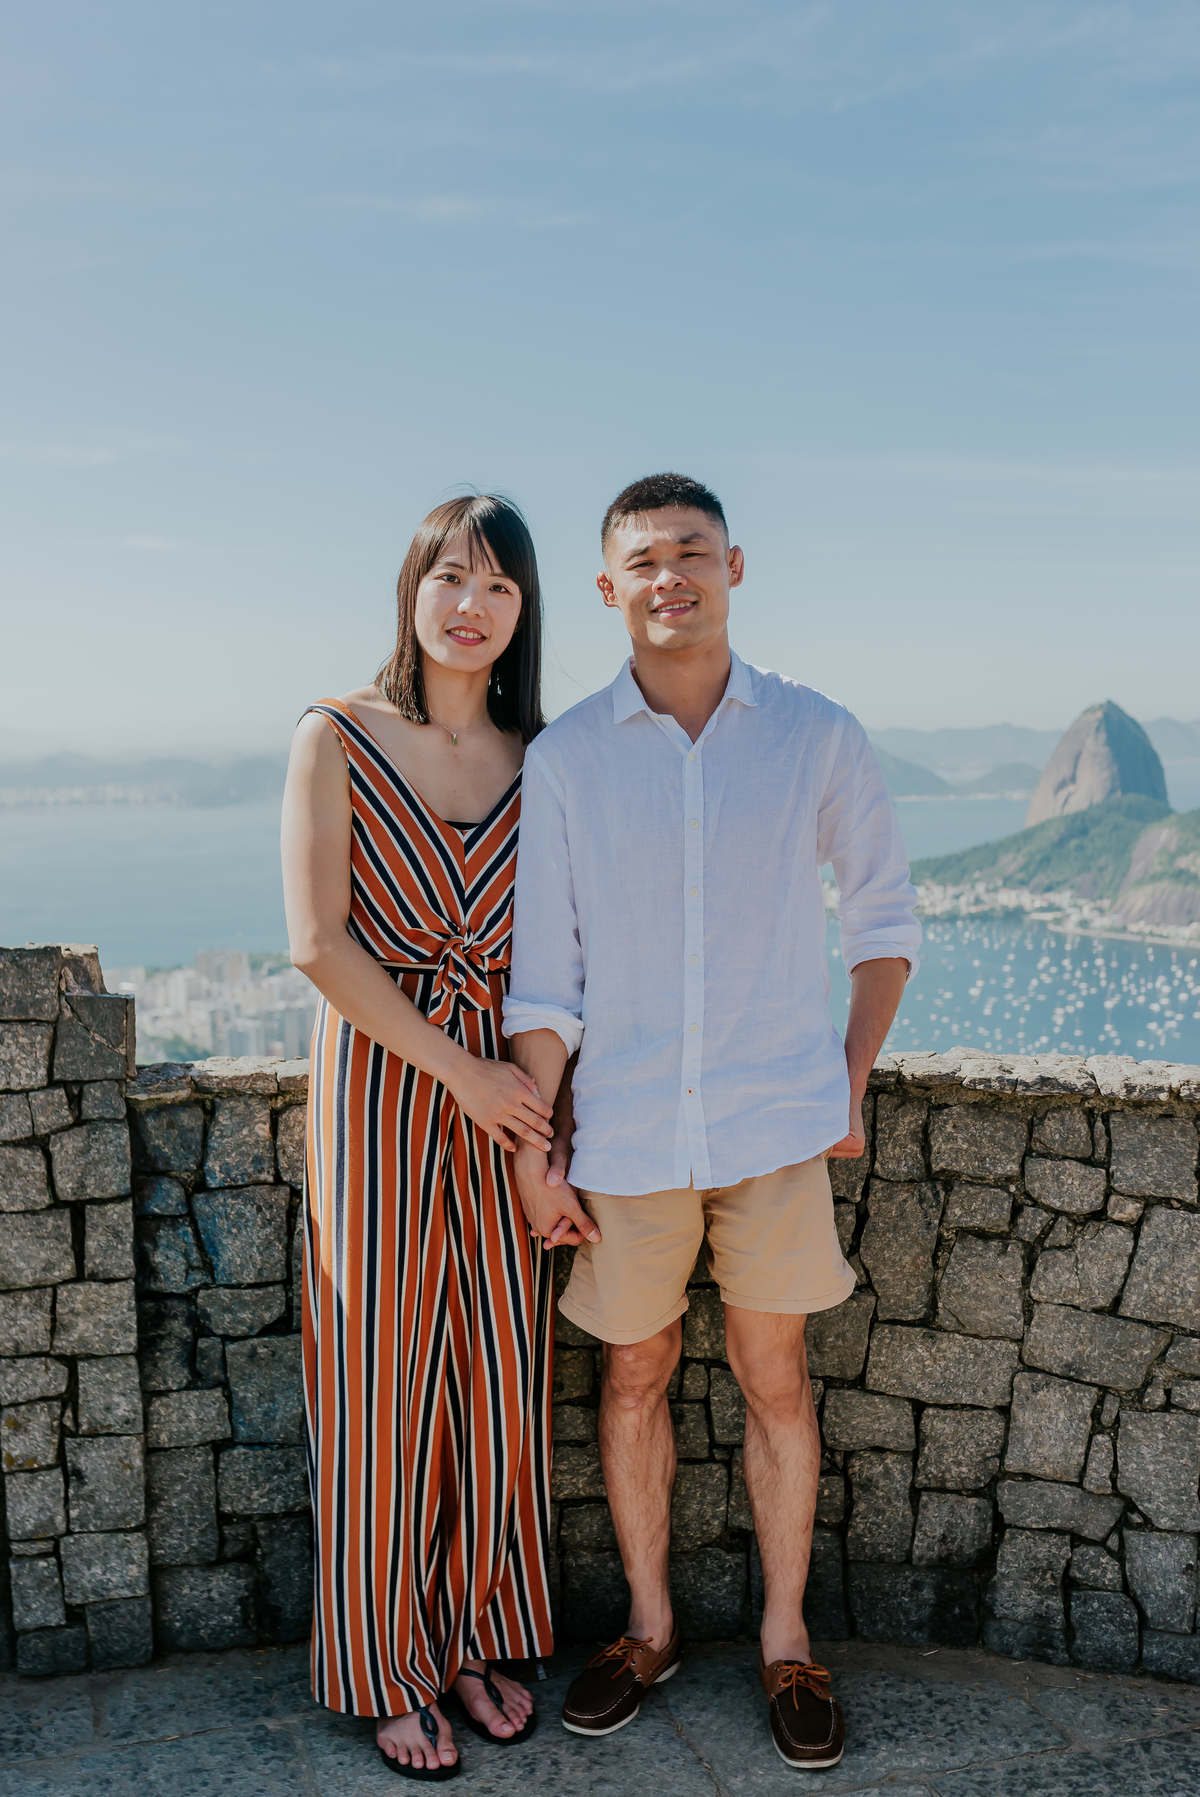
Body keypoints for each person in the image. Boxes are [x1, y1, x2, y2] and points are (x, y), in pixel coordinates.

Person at [503, 473, 921, 1771]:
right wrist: (537, 1147)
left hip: (775, 1127)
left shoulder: (815, 733)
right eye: (644, 559)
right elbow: (545, 980)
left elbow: (884, 920)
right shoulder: (567, 758)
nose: (669, 576)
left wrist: (848, 1078)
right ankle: (648, 1629)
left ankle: (789, 1641)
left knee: (774, 1377)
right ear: (607, 588)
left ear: (735, 566)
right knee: (631, 1377)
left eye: (692, 551)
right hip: (623, 1135)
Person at [281, 494, 564, 1780]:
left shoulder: (544, 759)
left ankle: (470, 1636)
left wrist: (529, 1125)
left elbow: (560, 960)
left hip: (509, 1100)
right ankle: (382, 1663)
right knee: (379, 1378)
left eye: (498, 586)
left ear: (524, 612)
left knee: (497, 1372)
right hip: (387, 1089)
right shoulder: (335, 733)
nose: (470, 604)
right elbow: (318, 944)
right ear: (411, 589)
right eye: (450, 576)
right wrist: (463, 1075)